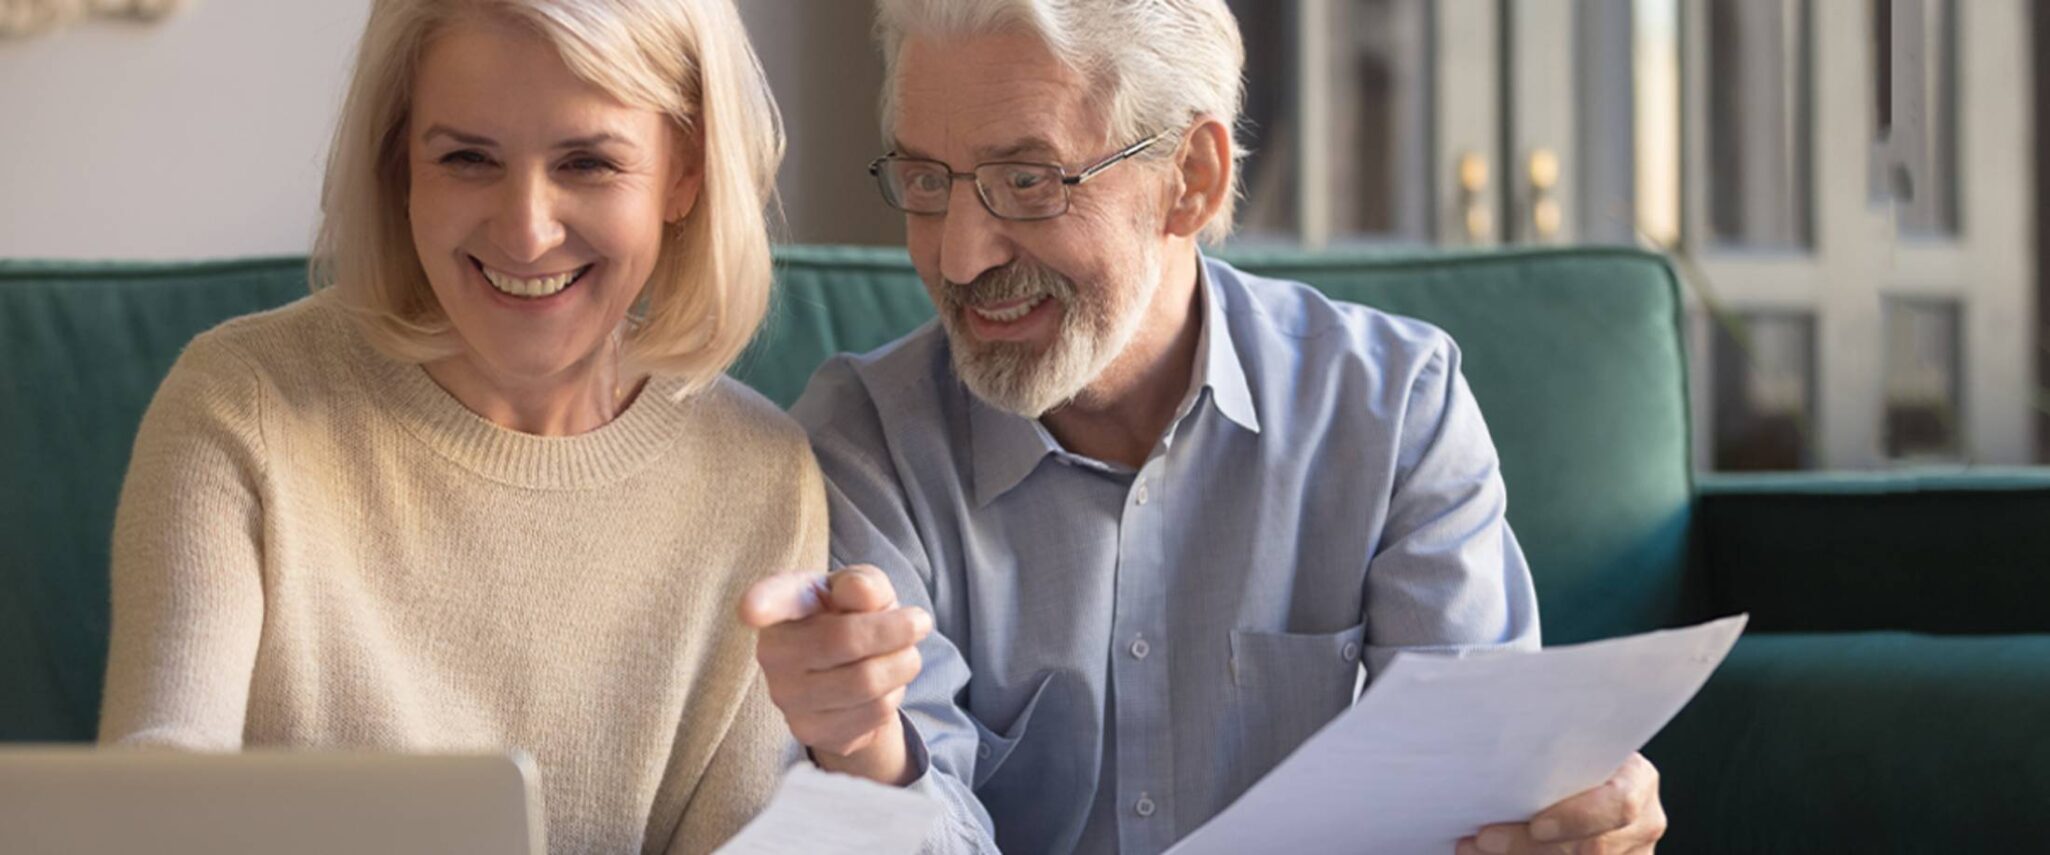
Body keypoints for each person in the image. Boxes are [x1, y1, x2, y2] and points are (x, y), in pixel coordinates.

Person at [741, 2, 1668, 854]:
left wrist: (1556, 822)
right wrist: (869, 753)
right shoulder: (864, 441)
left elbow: (1473, 806)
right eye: (927, 180)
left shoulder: (1395, 412)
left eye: (1027, 181)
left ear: (1192, 177)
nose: (958, 252)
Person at [97, 2, 815, 852]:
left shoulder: (765, 481)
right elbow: (150, 793)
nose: (525, 230)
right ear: (402, 161)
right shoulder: (239, 407)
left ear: (685, 171)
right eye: (468, 158)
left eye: (587, 163)